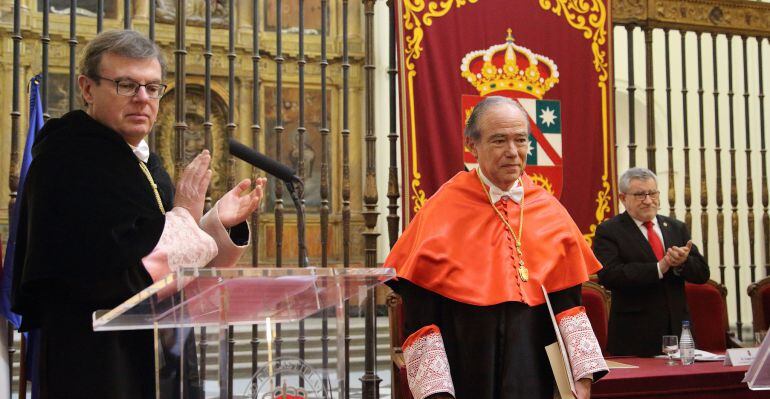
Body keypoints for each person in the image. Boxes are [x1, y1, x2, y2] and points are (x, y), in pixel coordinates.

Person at [10, 30, 267, 399]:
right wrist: (185, 217)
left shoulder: (143, 161)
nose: (142, 99)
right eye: (126, 85)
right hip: (98, 359)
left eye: (152, 87)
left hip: (161, 347)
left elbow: (158, 252)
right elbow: (119, 269)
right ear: (87, 88)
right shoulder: (69, 159)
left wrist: (214, 223)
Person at [385, 96, 608, 399]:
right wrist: (435, 391)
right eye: (499, 140)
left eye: (520, 140)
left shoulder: (549, 209)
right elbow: (421, 309)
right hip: (464, 363)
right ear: (472, 146)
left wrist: (582, 375)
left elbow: (568, 302)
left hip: (532, 364)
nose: (513, 152)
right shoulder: (444, 208)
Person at [593, 167, 710, 357]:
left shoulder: (675, 227)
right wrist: (659, 267)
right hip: (635, 338)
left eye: (652, 193)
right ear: (623, 199)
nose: (648, 200)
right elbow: (610, 275)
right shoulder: (609, 231)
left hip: (679, 335)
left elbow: (702, 274)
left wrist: (682, 262)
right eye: (640, 195)